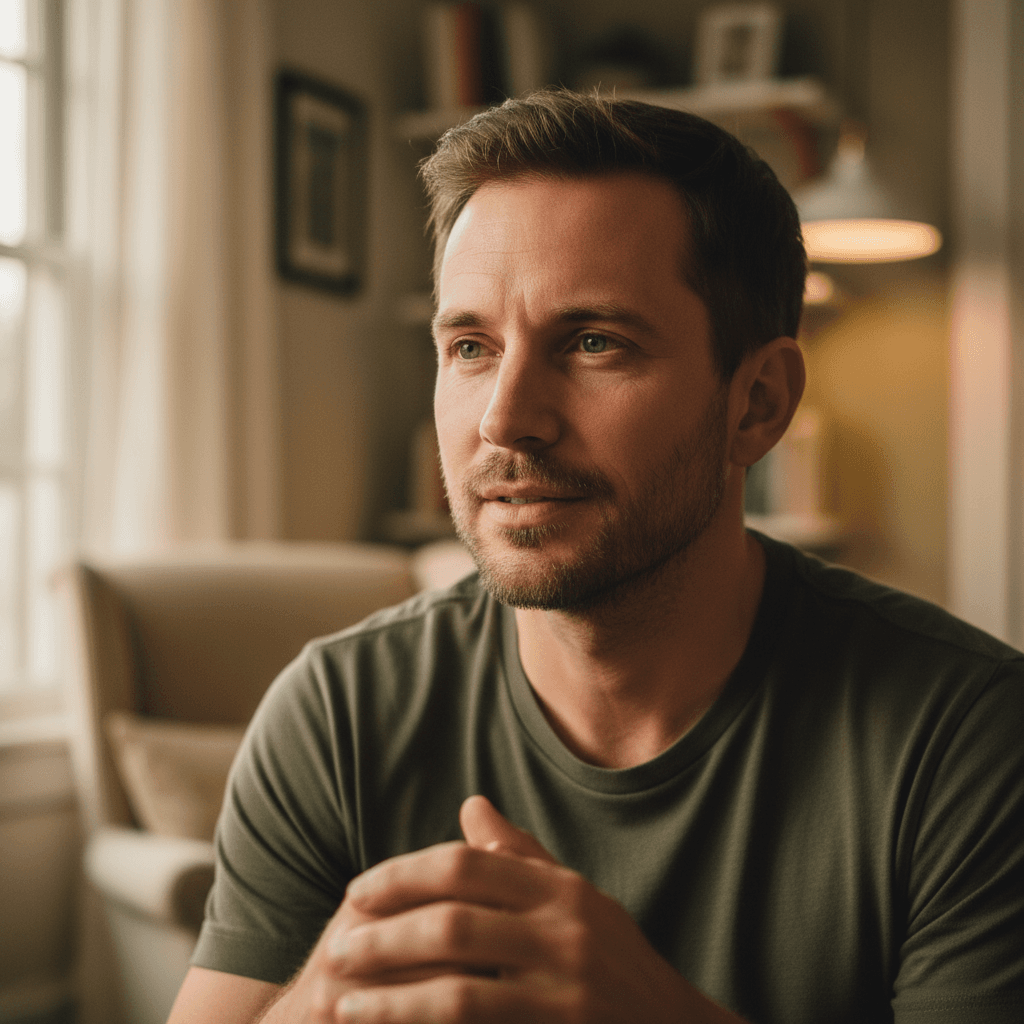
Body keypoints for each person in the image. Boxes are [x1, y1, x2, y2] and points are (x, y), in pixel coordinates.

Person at [167, 90, 1024, 1024]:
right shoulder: (336, 714)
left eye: (593, 342)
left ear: (759, 403)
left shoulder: (973, 742)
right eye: (470, 346)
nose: (504, 419)